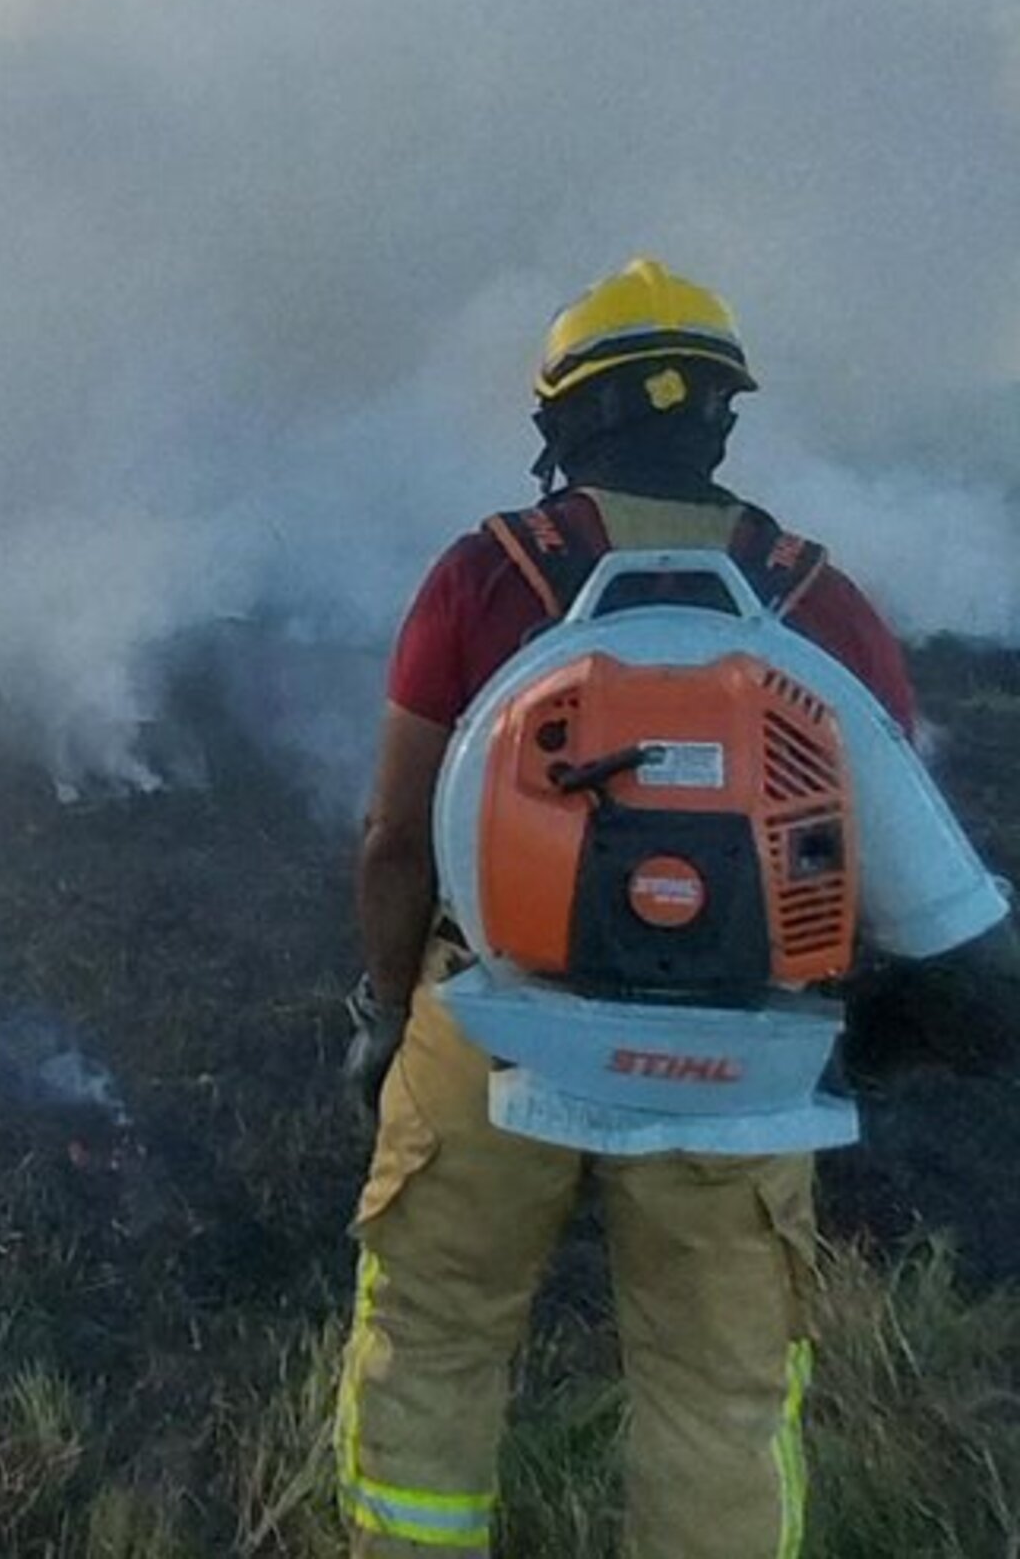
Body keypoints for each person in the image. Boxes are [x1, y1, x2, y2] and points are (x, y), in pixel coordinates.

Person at [334, 259, 922, 1559]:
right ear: (720, 416)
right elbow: (890, 849)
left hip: (491, 1027)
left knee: (433, 1343)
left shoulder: (486, 578)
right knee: (720, 1395)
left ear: (563, 421)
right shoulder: (817, 598)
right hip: (737, 1055)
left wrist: (389, 1011)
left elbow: (393, 838)